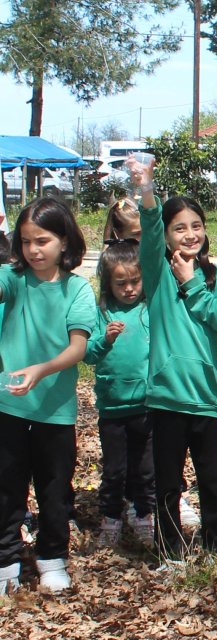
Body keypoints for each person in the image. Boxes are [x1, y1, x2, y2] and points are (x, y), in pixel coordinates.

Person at [133, 161, 217, 567]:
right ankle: (170, 551)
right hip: (167, 398)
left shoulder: (216, 275)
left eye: (197, 225)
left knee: (213, 482)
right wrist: (146, 188)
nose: (190, 234)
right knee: (167, 483)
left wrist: (193, 281)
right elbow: (150, 228)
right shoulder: (157, 273)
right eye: (180, 227)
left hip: (207, 398)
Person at [0, 198, 94, 593]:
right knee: (7, 488)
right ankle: (6, 561)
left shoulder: (78, 288)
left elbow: (78, 349)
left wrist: (42, 370)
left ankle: (52, 557)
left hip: (55, 411)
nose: (33, 250)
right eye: (25, 241)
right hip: (8, 406)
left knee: (55, 490)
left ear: (64, 240)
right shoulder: (13, 279)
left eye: (42, 240)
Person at [84, 239, 154, 547]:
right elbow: (87, 354)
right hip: (112, 408)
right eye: (120, 283)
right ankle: (111, 518)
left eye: (135, 281)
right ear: (108, 283)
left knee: (145, 469)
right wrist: (105, 341)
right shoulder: (102, 314)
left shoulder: (148, 310)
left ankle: (143, 515)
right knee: (114, 471)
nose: (129, 289)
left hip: (146, 405)